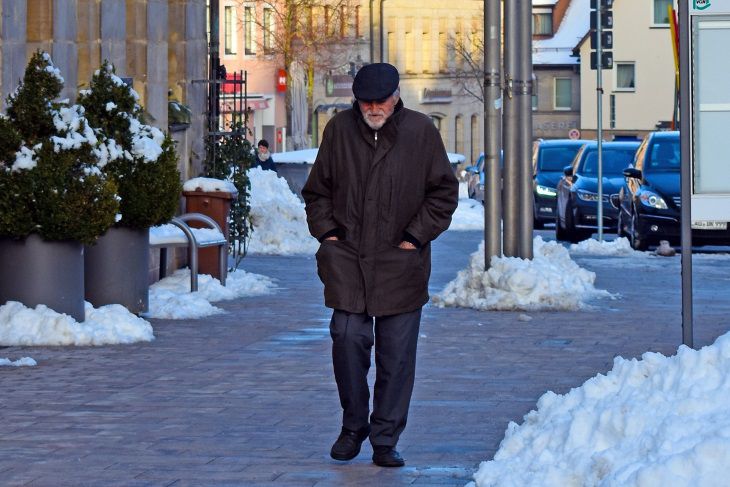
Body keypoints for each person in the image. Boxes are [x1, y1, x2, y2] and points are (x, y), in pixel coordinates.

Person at [301, 63, 458, 468]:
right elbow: (317, 192)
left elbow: (442, 194)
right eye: (365, 101)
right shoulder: (339, 131)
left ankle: (385, 438)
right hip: (349, 258)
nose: (373, 108)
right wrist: (329, 235)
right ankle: (353, 425)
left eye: (380, 101)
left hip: (401, 261)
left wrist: (414, 238)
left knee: (397, 355)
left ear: (395, 96)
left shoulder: (421, 132)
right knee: (347, 336)